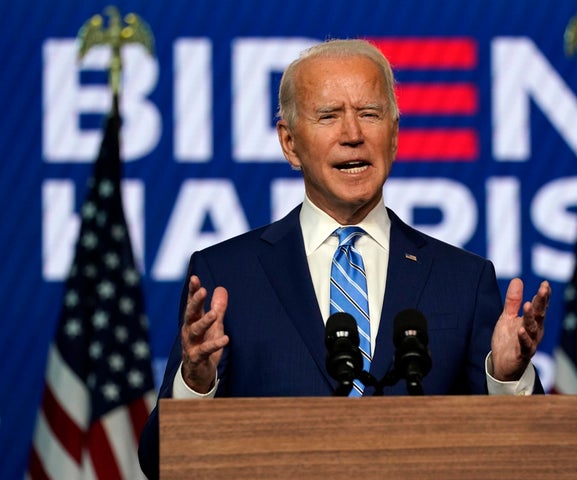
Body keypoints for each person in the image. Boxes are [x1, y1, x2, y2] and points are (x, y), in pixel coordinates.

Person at [138, 38, 551, 478]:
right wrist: (197, 385)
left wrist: (505, 381)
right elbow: (159, 463)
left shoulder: (463, 280)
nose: (352, 135)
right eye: (329, 116)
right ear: (290, 143)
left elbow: (536, 457)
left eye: (370, 114)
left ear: (393, 135)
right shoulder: (227, 276)